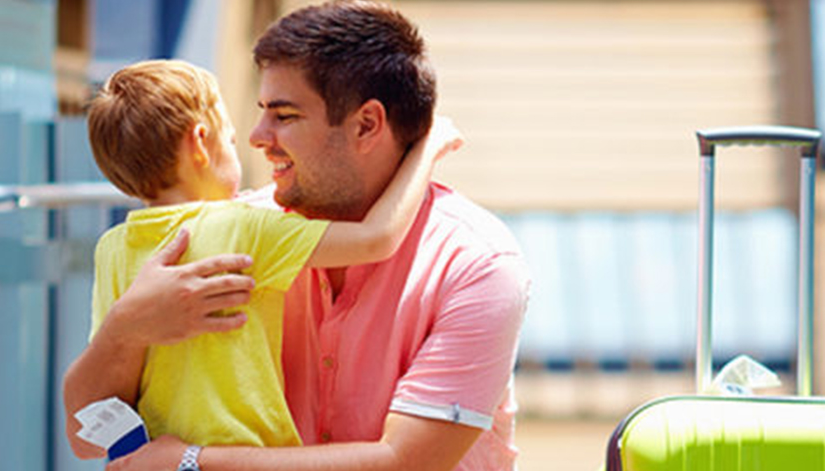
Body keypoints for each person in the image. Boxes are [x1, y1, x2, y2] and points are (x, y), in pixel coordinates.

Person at [78, 2, 531, 470]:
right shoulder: (235, 231)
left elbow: (407, 462)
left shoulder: (476, 265)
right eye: (260, 113)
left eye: (285, 115)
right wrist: (124, 329)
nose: (257, 136)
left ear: (367, 125)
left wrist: (193, 462)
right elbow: (84, 435)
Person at [61, 59, 457, 455]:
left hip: (154, 455)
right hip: (242, 453)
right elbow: (377, 238)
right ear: (200, 142)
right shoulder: (245, 229)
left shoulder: (113, 247)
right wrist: (426, 150)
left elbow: (105, 395)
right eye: (230, 140)